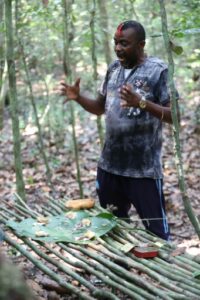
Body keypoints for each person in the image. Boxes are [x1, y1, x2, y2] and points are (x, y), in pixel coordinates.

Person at [59, 20, 179, 241]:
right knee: (113, 230)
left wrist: (142, 103)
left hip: (143, 171)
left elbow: (175, 116)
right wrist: (78, 98)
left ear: (141, 45)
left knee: (157, 234)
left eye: (124, 43)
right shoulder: (114, 69)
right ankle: (120, 270)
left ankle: (165, 270)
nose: (118, 48)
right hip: (110, 167)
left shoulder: (158, 70)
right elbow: (99, 107)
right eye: (116, 43)